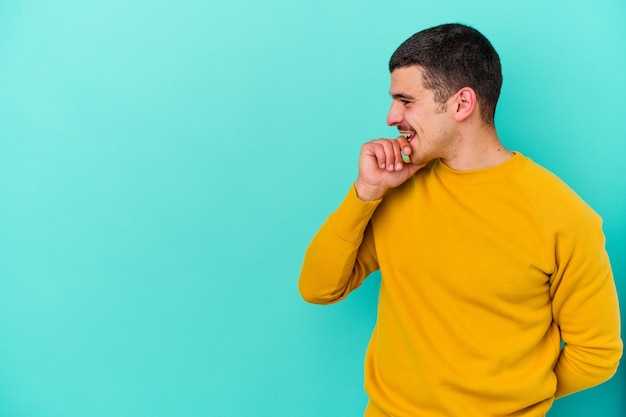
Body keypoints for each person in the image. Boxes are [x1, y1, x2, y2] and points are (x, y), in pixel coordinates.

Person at [298, 23, 622, 417]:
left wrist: (513, 399)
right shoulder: (394, 189)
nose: (390, 117)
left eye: (405, 100)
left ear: (461, 104)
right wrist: (365, 194)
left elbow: (597, 354)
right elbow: (318, 288)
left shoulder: (563, 216)